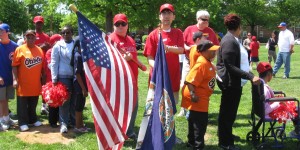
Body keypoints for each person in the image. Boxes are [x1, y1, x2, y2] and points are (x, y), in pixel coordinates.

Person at [216, 13, 260, 150]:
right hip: (229, 82)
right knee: (227, 113)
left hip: (233, 82)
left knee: (229, 112)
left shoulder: (233, 38)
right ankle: (225, 142)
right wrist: (250, 76)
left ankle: (226, 134)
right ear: (239, 26)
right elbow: (229, 66)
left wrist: (249, 73)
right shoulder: (229, 40)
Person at [143, 3, 184, 143]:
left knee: (170, 107)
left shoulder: (178, 32)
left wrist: (168, 48)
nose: (166, 16)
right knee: (156, 107)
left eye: (169, 13)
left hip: (172, 78)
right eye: (163, 13)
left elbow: (181, 49)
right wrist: (157, 67)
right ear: (159, 16)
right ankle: (155, 135)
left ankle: (170, 135)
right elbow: (149, 57)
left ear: (173, 16)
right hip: (158, 79)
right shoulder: (153, 35)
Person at [109, 13, 146, 139]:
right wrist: (123, 59)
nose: (120, 26)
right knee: (119, 107)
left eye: (123, 24)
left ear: (127, 25)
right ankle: (117, 132)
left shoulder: (130, 39)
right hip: (118, 81)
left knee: (134, 105)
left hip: (132, 80)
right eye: (117, 24)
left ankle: (129, 131)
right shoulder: (110, 40)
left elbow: (134, 57)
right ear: (114, 26)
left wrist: (140, 64)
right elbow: (109, 61)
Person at [178, 10, 219, 117]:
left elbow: (216, 46)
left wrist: (212, 62)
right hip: (189, 62)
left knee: (202, 87)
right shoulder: (189, 29)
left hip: (203, 64)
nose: (206, 21)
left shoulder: (210, 31)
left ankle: (198, 108)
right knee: (185, 84)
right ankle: (184, 108)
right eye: (203, 19)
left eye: (207, 20)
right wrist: (189, 47)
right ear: (197, 19)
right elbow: (182, 43)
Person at [181, 40, 219, 150]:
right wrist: (193, 95)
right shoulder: (201, 64)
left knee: (194, 119)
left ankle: (191, 142)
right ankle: (198, 146)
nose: (214, 53)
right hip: (197, 97)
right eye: (212, 51)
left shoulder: (206, 61)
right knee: (200, 124)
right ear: (204, 51)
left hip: (202, 96)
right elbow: (189, 81)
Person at [12, 30, 44, 131]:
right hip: (23, 83)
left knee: (33, 103)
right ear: (25, 38)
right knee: (22, 104)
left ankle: (32, 120)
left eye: (32, 37)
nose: (30, 39)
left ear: (35, 38)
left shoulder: (39, 50)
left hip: (35, 82)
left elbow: (42, 67)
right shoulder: (19, 49)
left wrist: (43, 80)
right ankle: (22, 122)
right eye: (28, 37)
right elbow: (14, 66)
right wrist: (15, 80)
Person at [256, 62, 299, 137]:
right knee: (297, 110)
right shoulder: (264, 89)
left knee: (295, 108)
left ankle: (297, 130)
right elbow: (266, 110)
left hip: (263, 110)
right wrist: (279, 101)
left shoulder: (259, 85)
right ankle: (297, 131)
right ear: (269, 74)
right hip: (269, 113)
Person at [50, 25, 75, 133]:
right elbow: (54, 62)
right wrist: (54, 78)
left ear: (72, 33)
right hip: (63, 76)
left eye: (68, 32)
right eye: (63, 33)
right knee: (64, 101)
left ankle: (73, 121)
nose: (65, 34)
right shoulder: (58, 46)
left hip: (75, 76)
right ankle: (63, 123)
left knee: (74, 100)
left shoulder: (76, 44)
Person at [0, 23, 18, 131]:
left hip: (10, 78)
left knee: (6, 99)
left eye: (2, 31)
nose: (0, 33)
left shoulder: (15, 46)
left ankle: (6, 118)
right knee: (1, 100)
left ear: (8, 32)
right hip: (1, 78)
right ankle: (2, 120)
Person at [72, 37, 90, 133]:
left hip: (83, 84)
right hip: (79, 85)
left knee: (82, 105)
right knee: (78, 106)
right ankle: (78, 126)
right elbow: (77, 74)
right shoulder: (78, 56)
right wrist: (83, 89)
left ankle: (82, 124)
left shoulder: (82, 55)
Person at [33, 15, 51, 115]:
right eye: (37, 23)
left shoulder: (46, 36)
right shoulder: (31, 35)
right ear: (34, 24)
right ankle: (32, 107)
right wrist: (41, 46)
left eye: (40, 23)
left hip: (43, 64)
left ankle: (44, 107)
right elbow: (28, 47)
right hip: (33, 64)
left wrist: (47, 46)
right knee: (35, 85)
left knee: (44, 84)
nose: (39, 25)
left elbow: (49, 49)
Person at [45, 34, 62, 128]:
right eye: (56, 41)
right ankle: (52, 121)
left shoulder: (62, 50)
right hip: (51, 79)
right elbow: (50, 65)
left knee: (61, 99)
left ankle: (60, 118)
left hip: (61, 78)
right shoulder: (49, 52)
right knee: (53, 100)